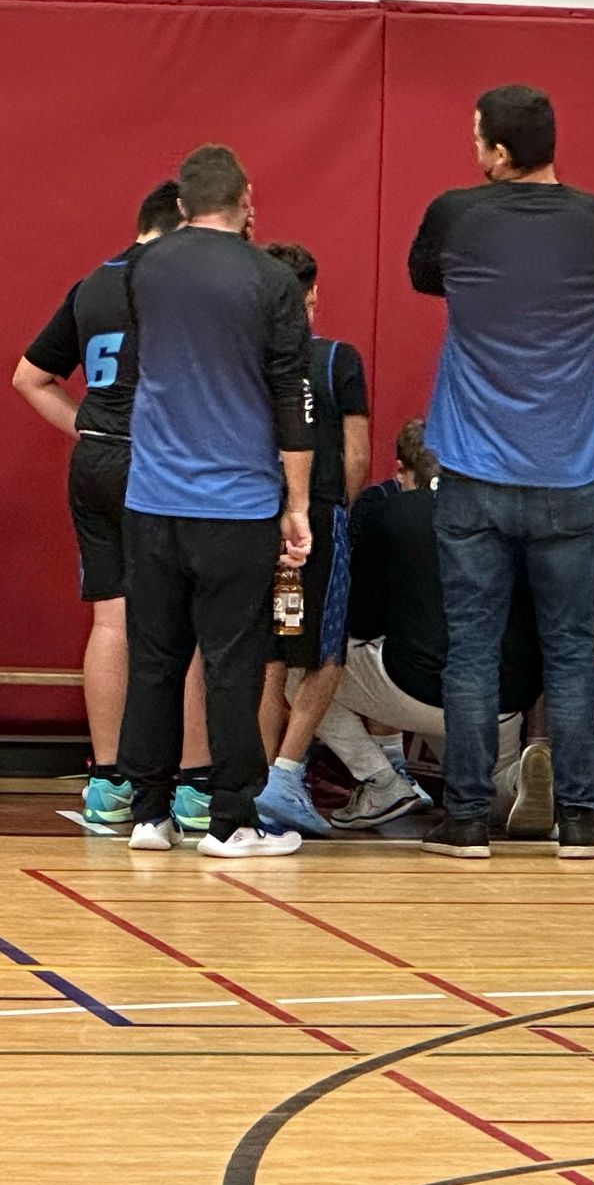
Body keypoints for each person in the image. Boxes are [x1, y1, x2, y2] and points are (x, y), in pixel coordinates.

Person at [407, 83, 594, 862]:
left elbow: (424, 277)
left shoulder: (456, 214)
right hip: (571, 469)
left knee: (473, 650)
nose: (472, 151)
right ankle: (580, 820)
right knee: (571, 648)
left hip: (475, 471)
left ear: (500, 153)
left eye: (477, 139)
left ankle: (466, 819)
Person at [110, 144, 314, 859]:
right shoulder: (272, 279)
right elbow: (294, 398)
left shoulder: (143, 267)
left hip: (152, 501)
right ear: (246, 197)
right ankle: (230, 823)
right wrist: (298, 503)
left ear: (182, 205)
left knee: (155, 658)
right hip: (237, 504)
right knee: (232, 665)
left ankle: (147, 815)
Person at [12, 180, 218, 832]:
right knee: (185, 628)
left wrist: (88, 427)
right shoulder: (182, 285)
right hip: (162, 462)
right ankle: (193, 786)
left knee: (111, 622)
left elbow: (28, 376)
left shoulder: (93, 284)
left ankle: (108, 786)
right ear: (182, 222)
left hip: (97, 460)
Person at [321, 424, 542, 835]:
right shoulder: (508, 516)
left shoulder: (393, 512)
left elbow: (361, 620)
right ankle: (515, 781)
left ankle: (381, 781)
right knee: (487, 787)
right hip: (508, 697)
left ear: (403, 471)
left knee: (304, 667)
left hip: (422, 688)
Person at [253, 242, 369, 837]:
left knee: (271, 657)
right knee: (325, 658)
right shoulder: (337, 359)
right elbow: (357, 454)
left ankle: (258, 782)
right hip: (316, 517)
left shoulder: (246, 358)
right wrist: (341, 512)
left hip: (255, 516)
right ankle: (285, 774)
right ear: (312, 296)